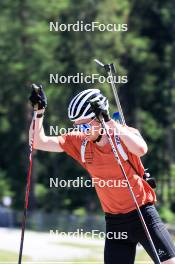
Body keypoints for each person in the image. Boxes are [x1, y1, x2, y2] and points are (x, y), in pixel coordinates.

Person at [29, 86, 175, 264]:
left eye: (84, 125)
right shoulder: (79, 142)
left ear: (99, 118)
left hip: (143, 214)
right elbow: (37, 141)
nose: (81, 131)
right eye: (77, 126)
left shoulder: (122, 134)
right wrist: (39, 112)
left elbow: (141, 149)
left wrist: (110, 122)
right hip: (115, 223)